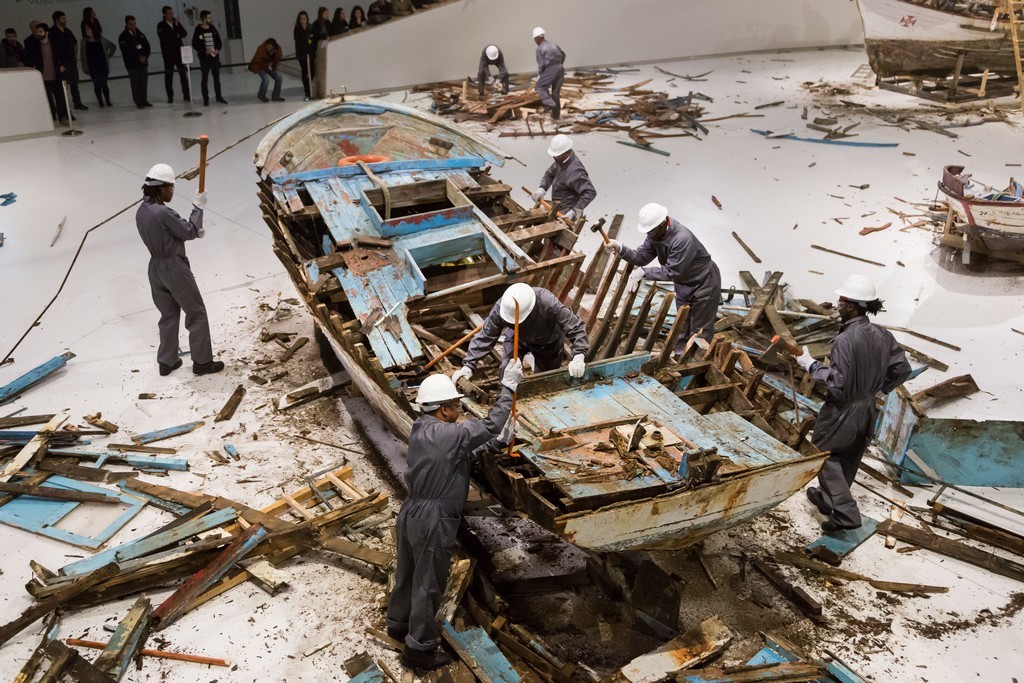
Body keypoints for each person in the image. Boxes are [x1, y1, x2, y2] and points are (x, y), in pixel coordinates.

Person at [387, 361, 522, 671]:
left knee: (407, 572)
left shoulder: (422, 428)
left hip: (411, 511)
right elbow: (491, 423)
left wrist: (496, 443)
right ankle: (419, 650)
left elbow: (456, 456)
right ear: (444, 410)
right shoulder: (450, 432)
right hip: (433, 518)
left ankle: (397, 624)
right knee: (428, 582)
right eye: (455, 404)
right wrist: (508, 388)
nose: (459, 409)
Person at [799, 275, 911, 534]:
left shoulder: (846, 340)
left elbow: (838, 385)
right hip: (868, 408)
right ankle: (827, 500)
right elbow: (902, 369)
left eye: (842, 300)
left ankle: (846, 515)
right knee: (849, 457)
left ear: (852, 306)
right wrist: (879, 389)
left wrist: (811, 365)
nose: (837, 304)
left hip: (843, 410)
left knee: (822, 455)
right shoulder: (883, 335)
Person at [136, 163, 225, 377]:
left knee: (168, 313)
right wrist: (198, 207)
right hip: (173, 267)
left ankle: (166, 361)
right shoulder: (162, 212)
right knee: (196, 311)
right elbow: (189, 231)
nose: (172, 193)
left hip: (155, 267)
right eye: (170, 189)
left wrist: (187, 232)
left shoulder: (141, 211)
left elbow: (167, 233)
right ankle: (202, 363)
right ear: (160, 188)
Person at [607, 203, 722, 345]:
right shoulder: (655, 233)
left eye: (651, 231)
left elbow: (673, 271)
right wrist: (621, 248)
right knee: (681, 324)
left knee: (700, 330)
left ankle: (697, 364)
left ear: (662, 224)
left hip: (704, 282)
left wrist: (644, 273)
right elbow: (642, 257)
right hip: (684, 283)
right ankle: (679, 359)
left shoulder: (682, 239)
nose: (649, 235)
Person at [452, 282, 589, 386]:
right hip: (516, 339)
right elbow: (487, 334)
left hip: (548, 342)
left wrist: (578, 355)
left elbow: (575, 326)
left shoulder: (548, 303)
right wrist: (469, 365)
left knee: (545, 381)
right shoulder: (503, 307)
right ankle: (507, 405)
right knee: (507, 371)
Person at [529, 134, 595, 222]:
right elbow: (549, 174)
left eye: (557, 156)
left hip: (567, 214)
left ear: (566, 152)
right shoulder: (560, 161)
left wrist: (575, 211)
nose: (554, 158)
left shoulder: (575, 170)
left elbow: (590, 192)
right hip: (556, 207)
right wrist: (542, 188)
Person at [24, 23, 68, 123]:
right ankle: (51, 117)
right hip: (42, 77)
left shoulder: (55, 44)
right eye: (37, 32)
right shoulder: (34, 46)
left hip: (56, 75)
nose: (38, 34)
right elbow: (27, 57)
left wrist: (63, 65)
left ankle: (62, 117)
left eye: (40, 31)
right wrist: (32, 66)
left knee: (59, 98)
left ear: (46, 32)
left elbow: (64, 55)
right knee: (47, 99)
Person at [50, 11, 87, 110]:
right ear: (57, 20)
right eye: (63, 18)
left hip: (71, 61)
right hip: (62, 63)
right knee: (63, 86)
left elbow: (75, 43)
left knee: (74, 83)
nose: (65, 20)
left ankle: (77, 102)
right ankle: (65, 107)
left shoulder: (67, 31)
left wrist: (75, 55)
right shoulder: (52, 32)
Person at [191, 10, 227, 106]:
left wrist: (218, 49)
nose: (211, 19)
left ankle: (219, 96)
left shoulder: (213, 28)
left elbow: (219, 41)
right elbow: (194, 44)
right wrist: (204, 50)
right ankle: (205, 99)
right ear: (204, 19)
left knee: (216, 78)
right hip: (204, 58)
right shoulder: (198, 29)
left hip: (214, 58)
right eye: (209, 18)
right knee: (205, 78)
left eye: (211, 18)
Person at [157, 6, 190, 104]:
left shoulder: (176, 22)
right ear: (164, 14)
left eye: (172, 12)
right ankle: (170, 96)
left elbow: (184, 33)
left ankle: (186, 94)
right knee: (169, 76)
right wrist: (176, 33)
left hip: (179, 53)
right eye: (169, 13)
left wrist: (176, 29)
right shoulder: (161, 25)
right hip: (168, 54)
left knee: (183, 75)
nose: (172, 15)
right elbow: (165, 38)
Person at [80, 17, 114, 107]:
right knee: (96, 85)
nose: (86, 31)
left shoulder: (101, 39)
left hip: (102, 66)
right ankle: (100, 101)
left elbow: (112, 46)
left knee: (104, 84)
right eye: (85, 29)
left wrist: (108, 56)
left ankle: (108, 100)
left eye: (88, 29)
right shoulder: (83, 42)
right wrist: (84, 67)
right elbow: (82, 56)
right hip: (92, 67)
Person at [532, 27, 565, 119]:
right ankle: (556, 116)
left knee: (540, 86)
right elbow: (563, 55)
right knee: (555, 93)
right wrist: (559, 65)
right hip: (560, 68)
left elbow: (541, 65)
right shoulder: (554, 44)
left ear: (536, 38)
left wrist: (541, 76)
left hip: (551, 69)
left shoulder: (539, 49)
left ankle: (549, 104)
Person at [119, 16, 152, 108]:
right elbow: (126, 52)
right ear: (127, 24)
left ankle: (144, 100)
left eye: (134, 23)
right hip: (132, 65)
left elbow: (147, 46)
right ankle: (138, 101)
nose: (133, 26)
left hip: (143, 63)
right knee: (135, 83)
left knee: (144, 82)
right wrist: (138, 57)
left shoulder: (140, 34)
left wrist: (145, 56)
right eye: (131, 24)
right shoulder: (123, 37)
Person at [249, 38, 284, 103]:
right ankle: (261, 95)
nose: (268, 48)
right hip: (260, 65)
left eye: (270, 47)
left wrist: (276, 65)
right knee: (266, 79)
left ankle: (276, 96)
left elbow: (279, 58)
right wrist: (267, 65)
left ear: (274, 46)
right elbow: (257, 60)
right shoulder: (261, 49)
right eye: (267, 46)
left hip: (270, 65)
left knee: (279, 78)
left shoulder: (278, 49)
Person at [293, 11, 315, 101]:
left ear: (307, 19)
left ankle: (311, 88)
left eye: (304, 18)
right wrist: (305, 34)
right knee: (305, 71)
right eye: (301, 19)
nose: (303, 20)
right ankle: (307, 91)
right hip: (302, 54)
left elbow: (313, 38)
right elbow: (298, 40)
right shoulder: (297, 28)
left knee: (312, 71)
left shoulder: (310, 27)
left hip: (310, 53)